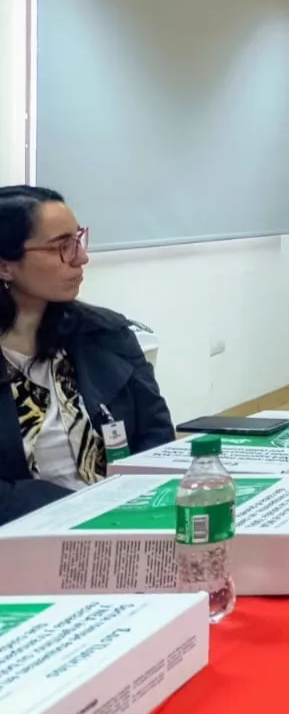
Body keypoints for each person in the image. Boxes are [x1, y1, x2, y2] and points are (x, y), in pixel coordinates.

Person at [0, 186, 174, 525]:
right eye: (61, 246)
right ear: (5, 266)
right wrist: (79, 508)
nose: (81, 258)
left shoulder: (107, 333)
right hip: (27, 537)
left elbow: (157, 436)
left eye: (78, 240)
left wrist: (134, 507)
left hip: (128, 520)